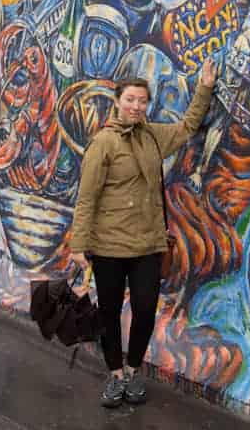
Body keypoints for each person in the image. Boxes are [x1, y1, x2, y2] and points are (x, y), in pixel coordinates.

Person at [70, 57, 217, 407]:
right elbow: (86, 197)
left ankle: (134, 369)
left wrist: (205, 88)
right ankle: (115, 375)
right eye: (130, 99)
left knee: (146, 309)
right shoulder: (103, 143)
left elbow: (187, 126)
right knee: (107, 313)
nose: (136, 106)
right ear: (118, 101)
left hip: (147, 245)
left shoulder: (153, 137)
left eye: (142, 101)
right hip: (108, 246)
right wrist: (79, 244)